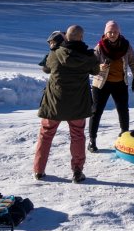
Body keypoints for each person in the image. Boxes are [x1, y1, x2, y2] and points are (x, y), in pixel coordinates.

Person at [34, 24, 100, 182]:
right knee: (77, 135)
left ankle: (38, 170)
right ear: (81, 38)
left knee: (46, 134)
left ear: (66, 37)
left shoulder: (55, 54)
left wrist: (54, 48)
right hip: (78, 104)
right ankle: (77, 172)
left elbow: (46, 69)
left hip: (54, 103)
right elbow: (96, 71)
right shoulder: (88, 56)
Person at [89, 20, 134, 152]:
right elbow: (90, 64)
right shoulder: (100, 47)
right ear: (105, 33)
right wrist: (99, 66)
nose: (112, 34)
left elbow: (133, 61)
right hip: (101, 84)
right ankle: (92, 140)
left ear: (119, 33)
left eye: (115, 32)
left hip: (120, 83)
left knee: (123, 110)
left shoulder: (126, 46)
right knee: (96, 111)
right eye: (109, 32)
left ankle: (125, 136)